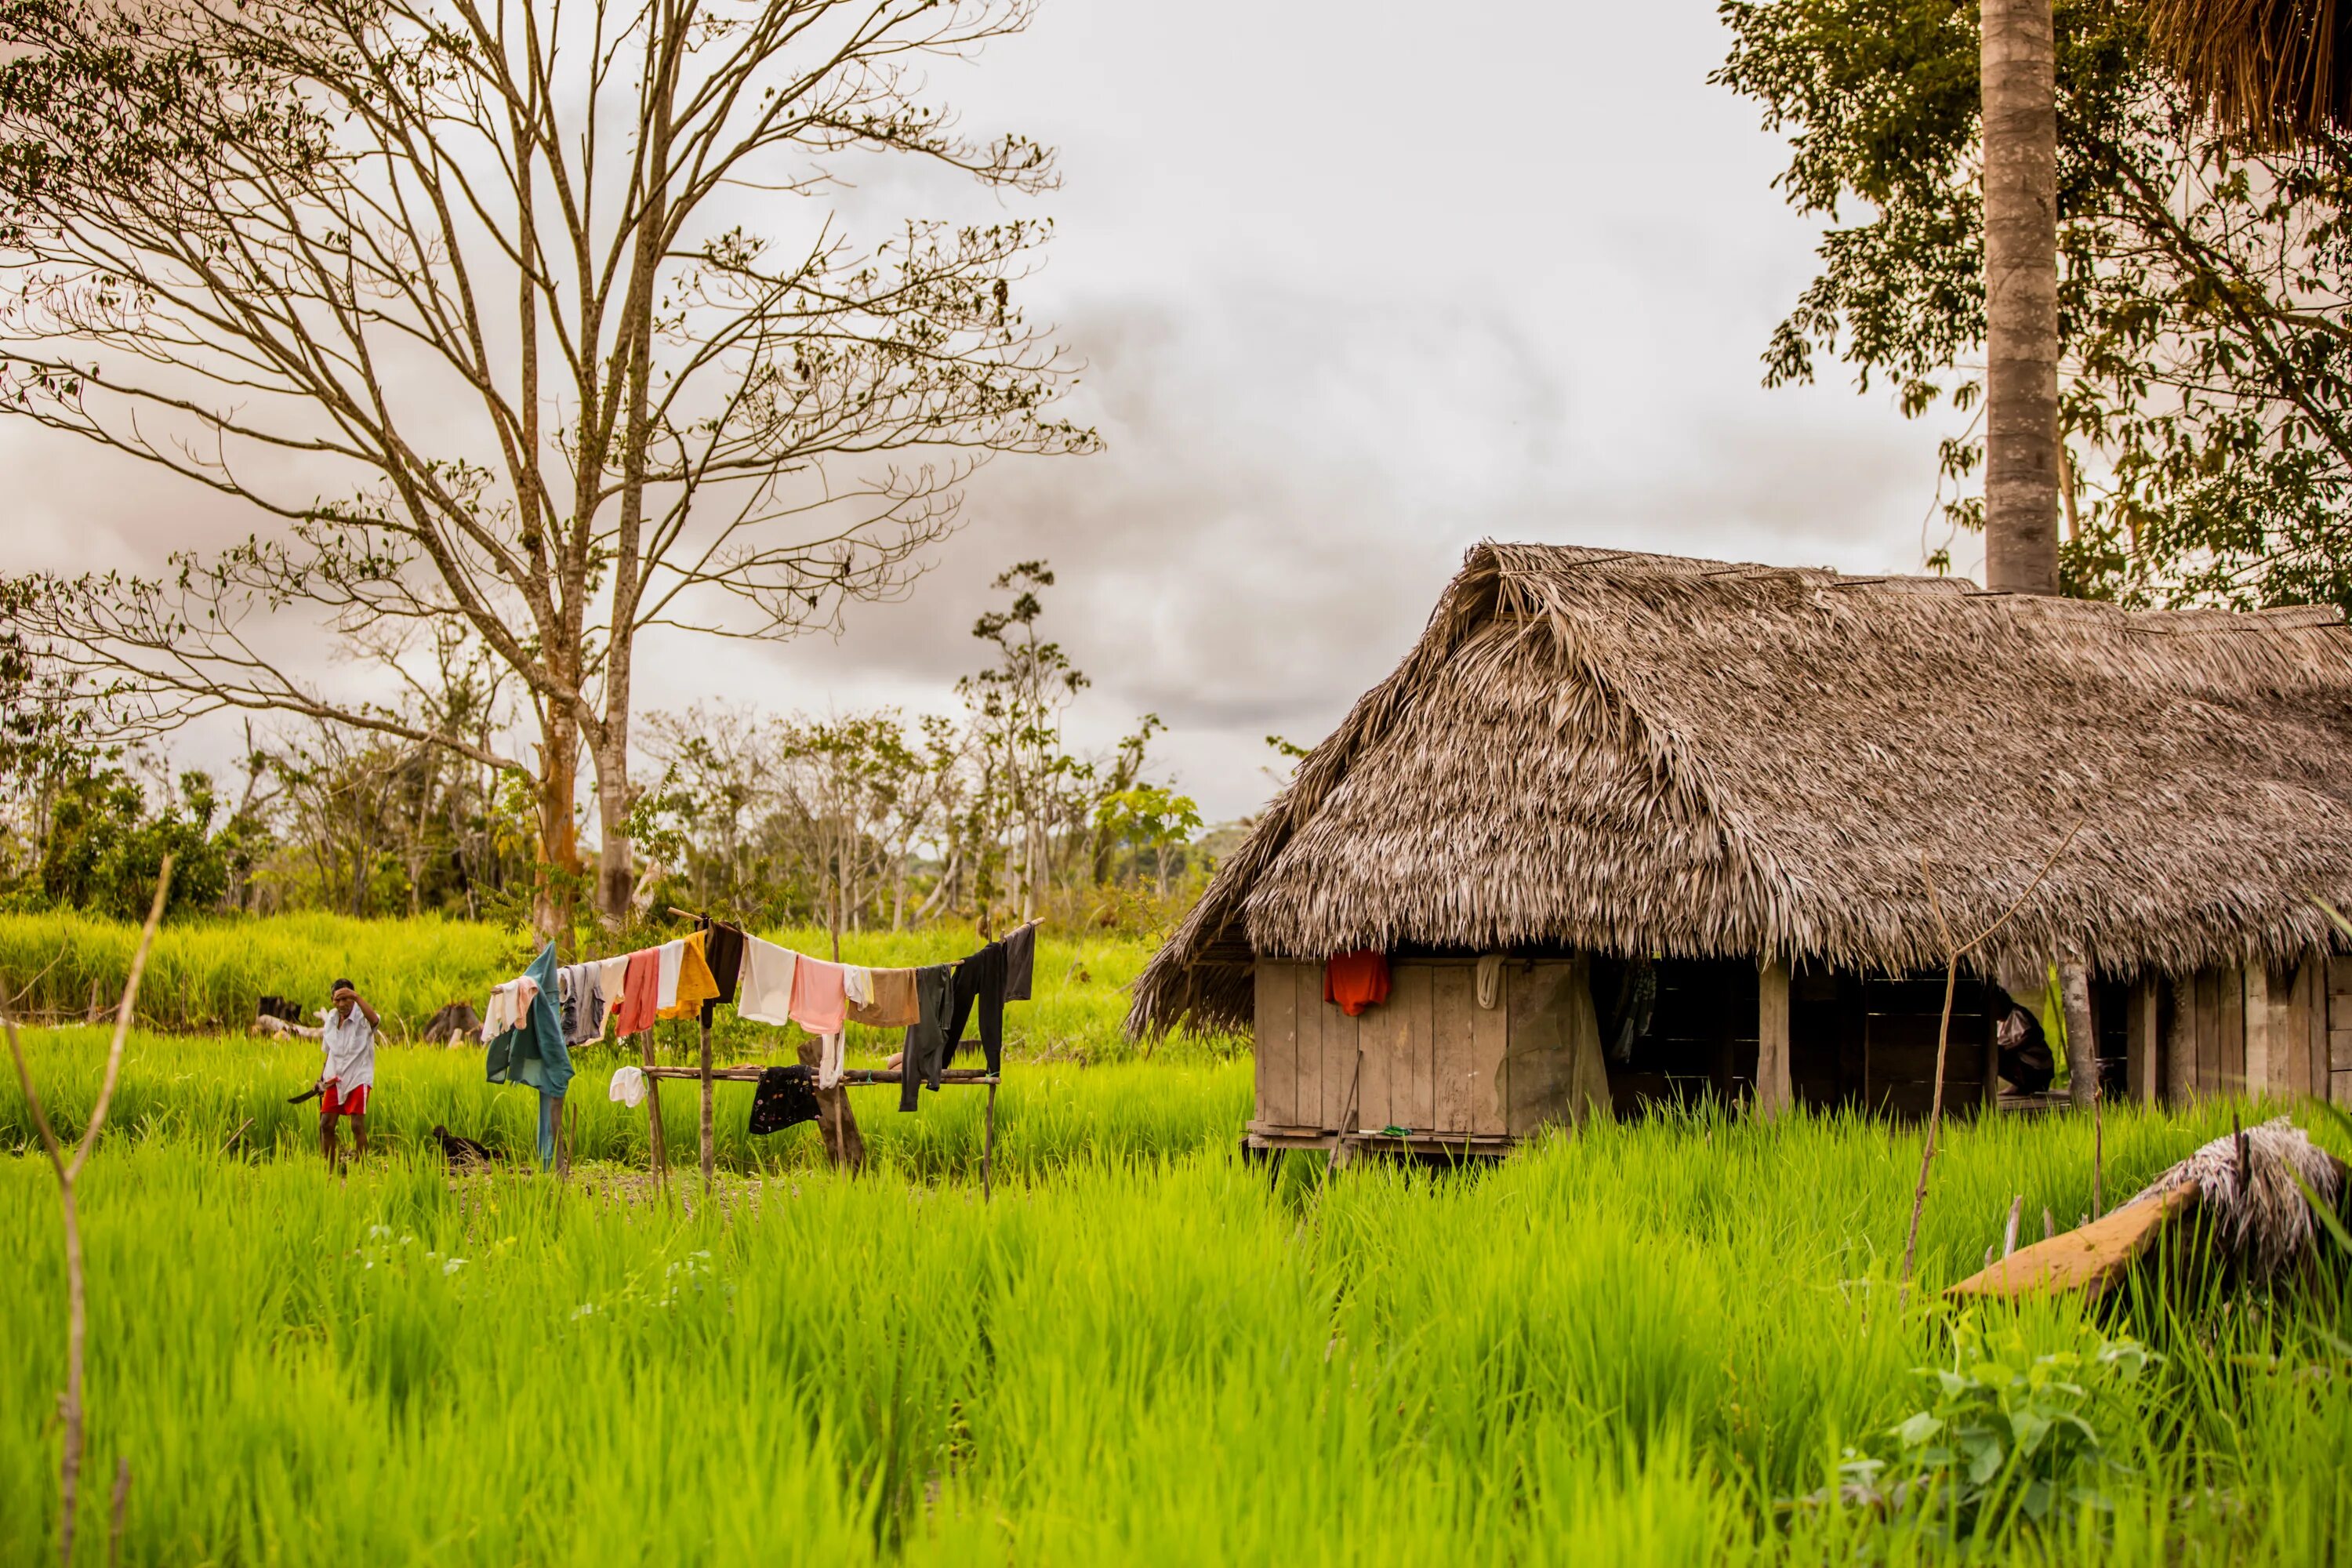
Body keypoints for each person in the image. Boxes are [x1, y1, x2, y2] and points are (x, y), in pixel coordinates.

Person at [318, 978, 379, 1167]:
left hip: (358, 1076)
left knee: (356, 1125)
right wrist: (321, 1079)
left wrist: (356, 996)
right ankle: (332, 1172)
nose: (342, 1004)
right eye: (338, 1000)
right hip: (335, 1078)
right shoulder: (330, 1019)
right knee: (326, 1125)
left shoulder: (363, 1017)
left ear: (353, 998)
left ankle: (361, 1170)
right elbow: (330, 1053)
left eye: (347, 999)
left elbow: (375, 1020)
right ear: (332, 1001)